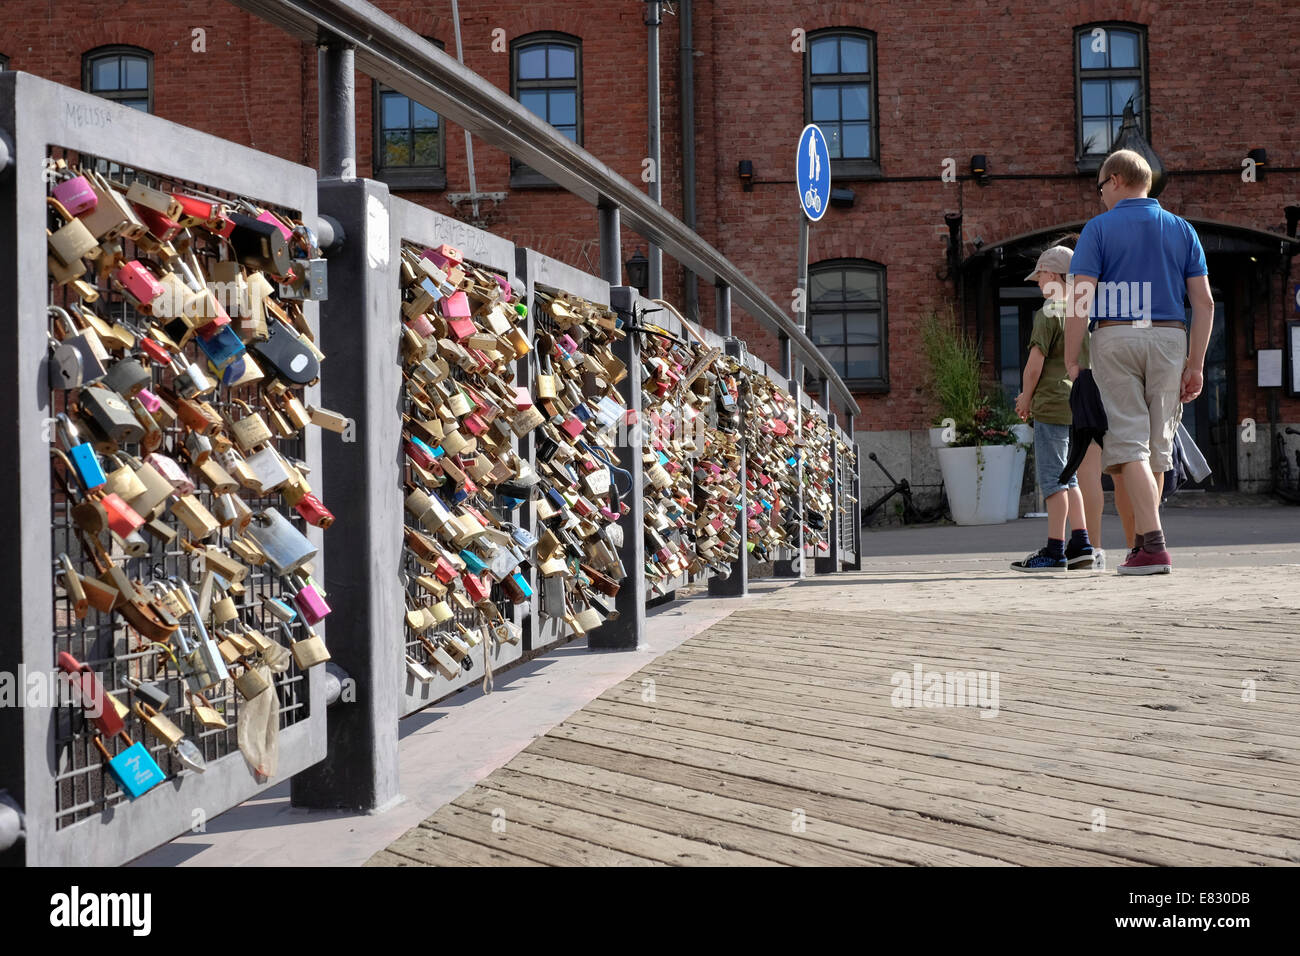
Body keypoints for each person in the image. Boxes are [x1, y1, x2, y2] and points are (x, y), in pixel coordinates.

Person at [1065, 148, 1214, 574]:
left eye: (1100, 188)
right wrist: (1197, 364)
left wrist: (1072, 357)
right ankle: (1143, 545)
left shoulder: (1098, 229)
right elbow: (1203, 304)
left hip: (1115, 335)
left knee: (1129, 443)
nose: (1099, 198)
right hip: (1169, 335)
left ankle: (1151, 545)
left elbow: (1080, 298)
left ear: (1114, 180)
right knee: (1158, 448)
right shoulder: (1182, 229)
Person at [1010, 246, 1093, 571]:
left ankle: (1055, 550)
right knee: (1069, 477)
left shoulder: (1048, 313)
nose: (1037, 282)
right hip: (1076, 405)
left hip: (1050, 403)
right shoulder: (1081, 312)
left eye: (1041, 275)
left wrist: (1025, 398)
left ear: (1055, 275)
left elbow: (1034, 365)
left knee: (1053, 479)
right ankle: (1081, 543)